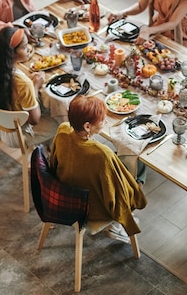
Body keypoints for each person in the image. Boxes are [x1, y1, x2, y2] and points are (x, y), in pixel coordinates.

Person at [50, 95, 147, 242]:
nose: (105, 121)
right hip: (90, 208)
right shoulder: (101, 153)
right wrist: (134, 192)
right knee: (138, 166)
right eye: (102, 120)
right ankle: (115, 225)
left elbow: (54, 161)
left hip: (65, 191)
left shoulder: (63, 129)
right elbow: (116, 191)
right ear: (87, 126)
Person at [0, 27, 58, 147]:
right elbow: (34, 119)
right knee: (60, 121)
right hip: (18, 135)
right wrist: (35, 87)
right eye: (24, 47)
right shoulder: (23, 84)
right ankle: (46, 156)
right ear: (11, 53)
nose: (28, 49)